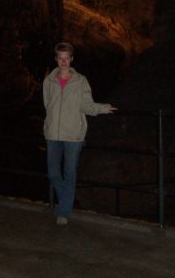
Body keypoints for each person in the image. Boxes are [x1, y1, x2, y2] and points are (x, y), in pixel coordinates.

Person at [42, 42, 117, 226]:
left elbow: (86, 105)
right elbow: (47, 104)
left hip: (73, 133)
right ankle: (67, 200)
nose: (63, 61)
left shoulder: (80, 81)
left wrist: (103, 108)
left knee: (69, 172)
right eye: (60, 58)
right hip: (53, 133)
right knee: (53, 172)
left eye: (66, 58)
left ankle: (64, 212)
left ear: (72, 59)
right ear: (56, 59)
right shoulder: (48, 81)